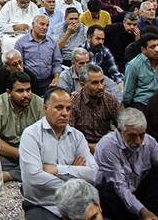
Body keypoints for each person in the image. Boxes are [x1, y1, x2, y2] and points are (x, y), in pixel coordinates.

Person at [19, 88, 98, 220]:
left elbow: (93, 173)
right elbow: (34, 176)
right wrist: (74, 178)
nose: (65, 113)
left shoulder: (77, 137)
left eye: (68, 109)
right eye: (59, 108)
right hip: (43, 204)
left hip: (75, 203)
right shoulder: (31, 135)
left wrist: (56, 170)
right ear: (46, 108)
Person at [93, 108, 158, 220]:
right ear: (120, 131)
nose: (138, 141)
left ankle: (154, 215)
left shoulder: (149, 142)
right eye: (132, 136)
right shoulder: (108, 146)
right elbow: (120, 186)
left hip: (136, 192)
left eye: (142, 135)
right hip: (115, 196)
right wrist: (143, 212)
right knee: (108, 190)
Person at [0, 69, 43, 182]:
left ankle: (9, 175)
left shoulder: (39, 104)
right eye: (20, 91)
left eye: (28, 90)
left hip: (33, 154)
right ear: (9, 92)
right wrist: (20, 153)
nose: (26, 95)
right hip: (7, 155)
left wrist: (30, 154)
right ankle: (22, 173)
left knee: (48, 162)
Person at [68, 63, 121, 153]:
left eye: (102, 82)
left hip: (106, 144)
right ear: (83, 85)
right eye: (95, 83)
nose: (100, 87)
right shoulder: (73, 102)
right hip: (81, 147)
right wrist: (90, 147)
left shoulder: (111, 100)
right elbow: (68, 135)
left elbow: (121, 128)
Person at [123, 33, 158, 112]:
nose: (157, 50)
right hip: (143, 103)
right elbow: (128, 93)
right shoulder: (133, 65)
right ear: (143, 49)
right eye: (152, 47)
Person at [14, 15, 62, 96]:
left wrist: (56, 78)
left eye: (47, 25)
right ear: (33, 24)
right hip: (28, 83)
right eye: (42, 24)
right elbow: (18, 64)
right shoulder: (21, 42)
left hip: (48, 82)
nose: (45, 28)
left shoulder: (52, 42)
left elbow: (57, 62)